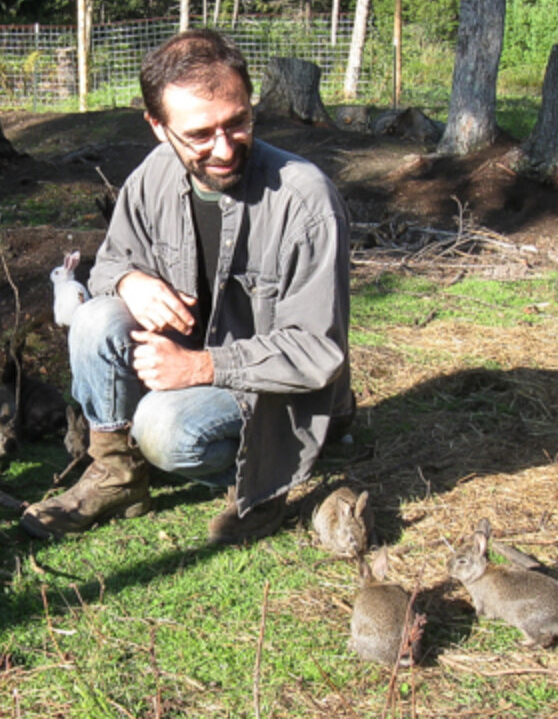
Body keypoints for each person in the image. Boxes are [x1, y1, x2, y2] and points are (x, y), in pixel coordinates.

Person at [20, 28, 354, 545]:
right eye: (200, 134)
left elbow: (317, 351)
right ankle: (117, 476)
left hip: (275, 395)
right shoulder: (152, 177)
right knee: (92, 317)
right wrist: (129, 281)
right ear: (158, 126)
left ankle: (270, 474)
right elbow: (107, 266)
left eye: (238, 122)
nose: (224, 148)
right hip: (187, 372)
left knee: (162, 428)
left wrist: (199, 367)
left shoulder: (304, 200)